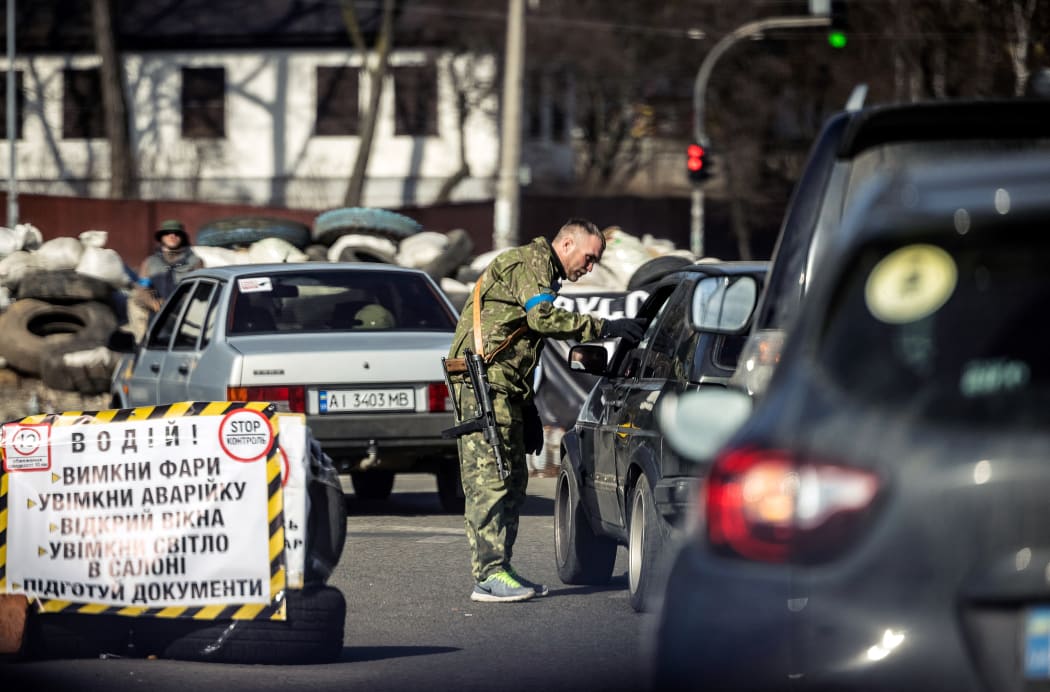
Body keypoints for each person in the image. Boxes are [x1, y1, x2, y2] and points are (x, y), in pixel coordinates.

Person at [446, 218, 646, 603]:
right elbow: (542, 319)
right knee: (492, 477)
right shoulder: (531, 263)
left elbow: (517, 343)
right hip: (483, 386)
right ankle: (488, 575)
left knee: (514, 477)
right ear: (567, 243)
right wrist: (605, 327)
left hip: (503, 388)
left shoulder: (543, 273)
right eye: (588, 258)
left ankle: (500, 567)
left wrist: (529, 410)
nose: (589, 268)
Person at [134, 219, 204, 313]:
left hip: (185, 316)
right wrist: (152, 302)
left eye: (177, 233)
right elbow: (142, 288)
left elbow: (199, 290)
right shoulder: (150, 263)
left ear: (182, 237)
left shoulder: (195, 262)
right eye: (167, 233)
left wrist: (174, 303)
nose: (172, 236)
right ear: (161, 237)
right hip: (158, 317)